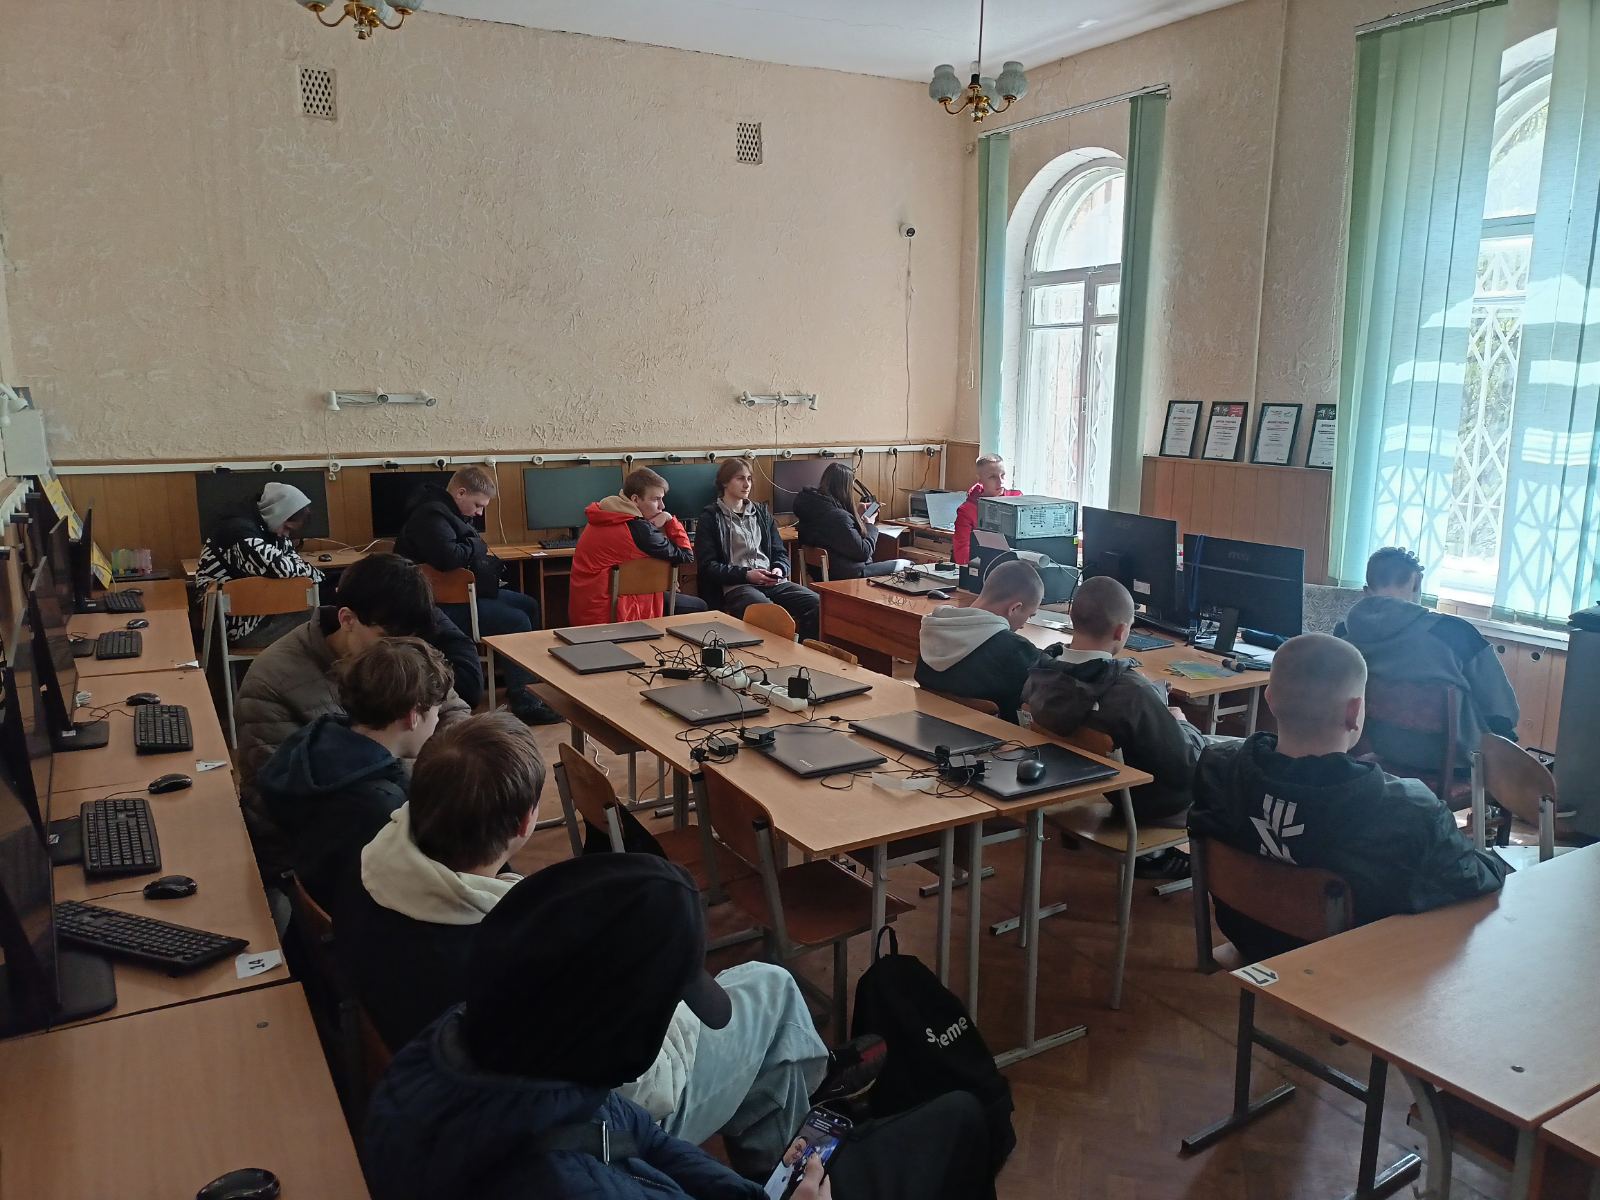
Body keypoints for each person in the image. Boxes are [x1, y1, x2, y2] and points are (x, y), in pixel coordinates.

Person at [340, 715, 829, 1175]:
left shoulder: (372, 872)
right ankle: (787, 1172)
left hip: (448, 1098)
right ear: (525, 823)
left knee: (757, 1007)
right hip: (587, 1129)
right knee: (774, 989)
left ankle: (780, 1140)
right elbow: (639, 1086)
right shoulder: (518, 946)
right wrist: (672, 1010)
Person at [363, 852, 997, 1200]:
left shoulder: (475, 1040)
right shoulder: (563, 1179)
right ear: (616, 1029)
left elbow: (643, 1135)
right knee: (964, 1119)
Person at [1187, 633, 1509, 963]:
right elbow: (1477, 880)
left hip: (1249, 940)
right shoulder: (1409, 810)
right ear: (1354, 711)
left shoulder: (1216, 768)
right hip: (1349, 967)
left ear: (1269, 698)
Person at [235, 552, 476, 878]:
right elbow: (283, 800)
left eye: (412, 640)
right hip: (321, 859)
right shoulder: (272, 679)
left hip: (393, 825)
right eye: (388, 638)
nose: (402, 650)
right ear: (347, 619)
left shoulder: (402, 650)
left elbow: (454, 712)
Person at [253, 636, 451, 912]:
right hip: (364, 918)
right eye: (436, 712)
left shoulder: (311, 742)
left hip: (319, 897)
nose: (438, 720)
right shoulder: (383, 805)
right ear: (413, 715)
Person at [1024, 576, 1206, 827]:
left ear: (1072, 618)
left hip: (1097, 788)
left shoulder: (1041, 671)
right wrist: (1182, 722)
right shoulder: (1133, 692)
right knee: (1233, 753)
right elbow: (1188, 765)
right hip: (1155, 805)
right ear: (1121, 631)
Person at [393, 465, 560, 725]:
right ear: (460, 493)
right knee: (516, 621)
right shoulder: (430, 516)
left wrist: (472, 545)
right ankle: (525, 703)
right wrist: (476, 543)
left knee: (529, 605)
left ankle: (524, 685)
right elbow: (448, 557)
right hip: (438, 606)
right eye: (478, 505)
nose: (480, 513)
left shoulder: (446, 512)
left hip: (463, 596)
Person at [1335, 546, 1520, 773]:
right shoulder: (1454, 633)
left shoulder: (1343, 635)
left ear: (1366, 590)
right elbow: (1503, 712)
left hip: (1366, 755)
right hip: (1447, 763)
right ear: (1417, 584)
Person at [915, 560, 1056, 723]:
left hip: (926, 726)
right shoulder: (1015, 650)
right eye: (1029, 616)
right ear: (1015, 608)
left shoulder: (934, 628)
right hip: (989, 736)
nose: (1024, 625)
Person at [695, 458, 819, 640]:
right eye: (740, 479)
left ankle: (803, 650)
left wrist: (779, 569)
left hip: (772, 582)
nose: (747, 485)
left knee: (818, 604)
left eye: (749, 479)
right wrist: (747, 575)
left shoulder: (761, 513)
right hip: (738, 586)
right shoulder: (710, 518)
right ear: (725, 482)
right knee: (769, 614)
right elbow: (708, 567)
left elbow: (780, 552)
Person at [568, 467, 708, 625]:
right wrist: (669, 520)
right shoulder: (638, 529)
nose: (662, 506)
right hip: (610, 614)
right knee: (699, 606)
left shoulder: (606, 514)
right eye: (656, 499)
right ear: (635, 499)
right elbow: (686, 555)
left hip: (586, 610)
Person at [195, 482, 324, 649]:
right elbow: (280, 567)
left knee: (320, 611)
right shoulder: (237, 532)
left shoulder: (271, 528)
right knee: (323, 621)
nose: (285, 534)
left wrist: (310, 575)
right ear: (278, 513)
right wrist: (317, 575)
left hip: (258, 615)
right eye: (286, 527)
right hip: (236, 627)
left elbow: (294, 562)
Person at [792, 463, 910, 581]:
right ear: (845, 488)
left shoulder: (813, 510)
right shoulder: (838, 518)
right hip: (850, 575)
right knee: (908, 565)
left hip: (823, 575)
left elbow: (841, 536)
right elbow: (864, 552)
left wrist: (856, 516)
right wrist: (870, 525)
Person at [951, 454, 1021, 566]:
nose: (1000, 482)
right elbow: (962, 551)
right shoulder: (967, 511)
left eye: (1003, 475)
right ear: (980, 479)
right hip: (982, 567)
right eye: (993, 477)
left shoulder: (1017, 501)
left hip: (1014, 566)